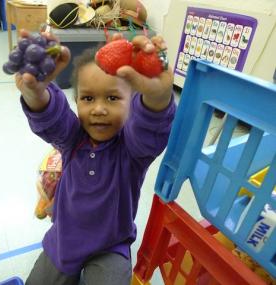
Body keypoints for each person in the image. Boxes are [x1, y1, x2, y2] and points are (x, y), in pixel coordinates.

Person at [16, 30, 176, 285]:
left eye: (113, 98)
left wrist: (156, 97)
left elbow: (149, 130)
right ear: (77, 100)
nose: (99, 109)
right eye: (88, 98)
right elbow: (52, 118)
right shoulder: (73, 138)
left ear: (133, 103)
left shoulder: (132, 149)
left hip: (111, 245)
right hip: (64, 237)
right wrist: (35, 92)